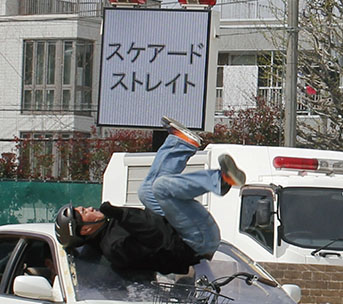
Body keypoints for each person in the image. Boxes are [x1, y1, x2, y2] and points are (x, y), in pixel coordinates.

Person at [53, 116, 245, 275]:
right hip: (195, 243)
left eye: (83, 207)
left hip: (179, 233)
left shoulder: (108, 230)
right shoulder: (115, 246)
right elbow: (155, 234)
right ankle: (222, 180)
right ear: (85, 230)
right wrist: (121, 214)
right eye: (84, 212)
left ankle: (182, 143)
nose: (89, 208)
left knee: (146, 192)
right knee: (161, 188)